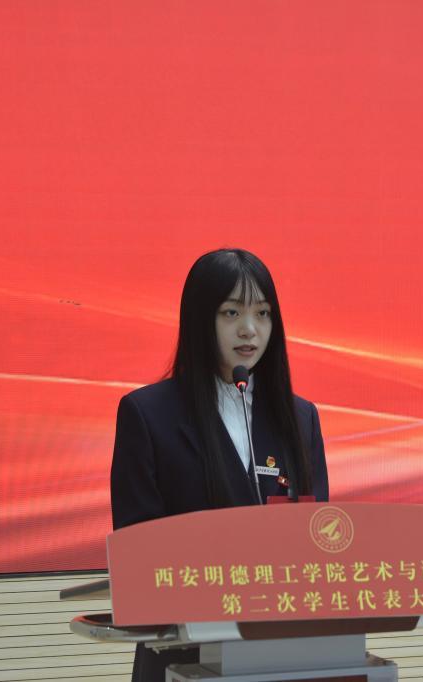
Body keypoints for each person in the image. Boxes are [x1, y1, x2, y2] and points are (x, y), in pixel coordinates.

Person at [110, 248, 329, 682]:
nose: (250, 329)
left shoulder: (299, 417)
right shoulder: (148, 414)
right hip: (184, 654)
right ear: (199, 319)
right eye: (231, 313)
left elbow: (316, 537)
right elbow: (139, 548)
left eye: (262, 313)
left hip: (279, 654)